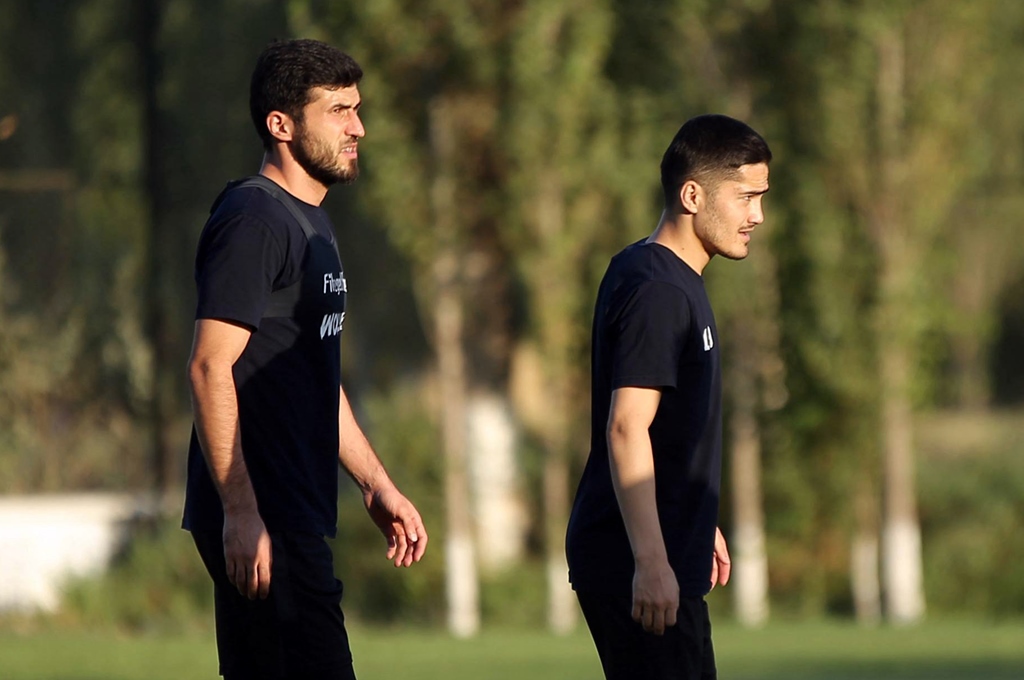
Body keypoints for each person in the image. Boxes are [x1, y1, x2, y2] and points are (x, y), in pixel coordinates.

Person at [183, 39, 428, 680]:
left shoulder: (311, 222)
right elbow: (209, 367)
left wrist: (375, 483)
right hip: (265, 511)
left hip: (293, 508)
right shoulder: (254, 219)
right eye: (338, 111)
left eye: (357, 109)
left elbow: (315, 378)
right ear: (281, 125)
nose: (358, 128)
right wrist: (241, 512)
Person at [565, 114, 771, 680]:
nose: (757, 215)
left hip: (661, 548)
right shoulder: (658, 290)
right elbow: (627, 427)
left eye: (761, 198)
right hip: (636, 563)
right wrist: (652, 560)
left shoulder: (661, 273)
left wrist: (694, 519)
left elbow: (667, 431)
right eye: (746, 197)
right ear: (692, 195)